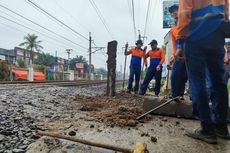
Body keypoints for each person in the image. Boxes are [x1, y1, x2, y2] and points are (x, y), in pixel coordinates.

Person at [176, 0, 230, 144]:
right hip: (217, 36)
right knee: (219, 81)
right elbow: (226, 13)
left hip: (195, 37)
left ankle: (207, 129)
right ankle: (221, 126)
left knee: (197, 81)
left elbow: (183, 15)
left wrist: (180, 44)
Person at [167, 4, 187, 99]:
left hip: (190, 53)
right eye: (172, 12)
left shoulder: (188, 23)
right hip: (178, 55)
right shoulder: (172, 29)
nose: (174, 13)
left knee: (185, 76)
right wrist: (173, 57)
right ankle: (174, 96)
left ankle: (181, 95)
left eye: (176, 10)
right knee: (175, 75)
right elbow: (174, 45)